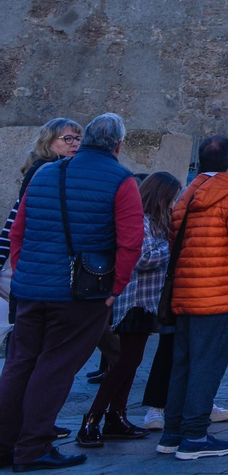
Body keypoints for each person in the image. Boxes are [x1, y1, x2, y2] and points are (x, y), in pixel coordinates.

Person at [0, 114, 142, 472]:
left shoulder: (44, 174)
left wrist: (24, 272)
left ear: (87, 139)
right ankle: (33, 448)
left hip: (31, 287)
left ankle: (5, 444)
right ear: (118, 145)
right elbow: (130, 242)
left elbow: (18, 231)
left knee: (19, 364)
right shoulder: (122, 180)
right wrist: (116, 288)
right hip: (82, 293)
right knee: (55, 367)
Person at [156, 135, 228, 460]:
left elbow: (176, 243)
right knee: (208, 364)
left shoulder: (187, 195)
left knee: (183, 364)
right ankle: (195, 437)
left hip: (186, 291)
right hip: (219, 293)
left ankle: (172, 432)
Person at [76, 172, 181, 447]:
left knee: (130, 362)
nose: (174, 203)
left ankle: (116, 417)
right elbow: (142, 257)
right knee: (124, 362)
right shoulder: (141, 220)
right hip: (133, 300)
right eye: (172, 198)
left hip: (147, 301)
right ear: (161, 196)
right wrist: (172, 249)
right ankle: (91, 421)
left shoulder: (157, 222)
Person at [0, 119, 83, 273]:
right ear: (49, 141)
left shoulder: (60, 168)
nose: (75, 143)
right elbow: (18, 214)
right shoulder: (48, 170)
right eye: (68, 139)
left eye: (78, 138)